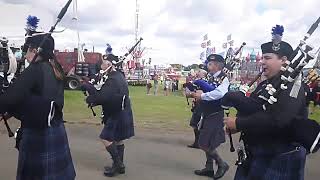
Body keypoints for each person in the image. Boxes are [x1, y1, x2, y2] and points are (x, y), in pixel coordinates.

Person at [224, 26, 307, 180]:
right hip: (256, 153)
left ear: (283, 61)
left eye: (267, 58)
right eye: (262, 58)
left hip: (280, 158)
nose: (262, 62)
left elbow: (277, 119)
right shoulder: (266, 84)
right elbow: (255, 108)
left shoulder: (293, 85)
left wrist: (239, 123)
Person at [0, 18, 76, 179]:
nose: (25, 53)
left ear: (35, 50)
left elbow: (9, 99)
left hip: (37, 133)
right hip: (55, 128)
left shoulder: (35, 70)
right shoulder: (55, 68)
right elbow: (33, 98)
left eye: (26, 49)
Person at [85, 54, 134, 177]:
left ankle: (118, 164)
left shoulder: (112, 79)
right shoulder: (118, 76)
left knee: (105, 138)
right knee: (118, 139)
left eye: (103, 63)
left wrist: (90, 96)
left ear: (109, 65)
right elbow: (108, 95)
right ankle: (119, 166)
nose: (101, 65)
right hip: (121, 110)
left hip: (117, 112)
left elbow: (103, 97)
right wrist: (92, 90)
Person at [189, 54, 229, 179]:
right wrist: (193, 92)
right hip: (206, 112)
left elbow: (219, 94)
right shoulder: (210, 77)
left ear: (217, 65)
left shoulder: (224, 79)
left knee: (204, 143)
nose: (208, 65)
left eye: (210, 63)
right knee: (207, 140)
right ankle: (209, 167)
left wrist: (202, 96)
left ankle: (222, 164)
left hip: (215, 113)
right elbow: (202, 88)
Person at [187, 69, 207, 149]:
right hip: (198, 104)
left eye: (199, 72)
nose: (197, 73)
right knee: (196, 123)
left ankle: (199, 142)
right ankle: (199, 142)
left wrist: (191, 94)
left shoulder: (203, 83)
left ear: (203, 75)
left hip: (201, 105)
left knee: (196, 123)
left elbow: (197, 93)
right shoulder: (198, 82)